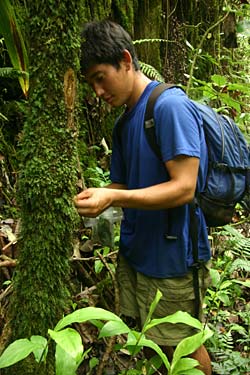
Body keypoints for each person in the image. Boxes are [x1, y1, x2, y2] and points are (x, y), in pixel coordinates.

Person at [74, 19, 212, 375]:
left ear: (125, 60)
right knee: (150, 343)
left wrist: (114, 199)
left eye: (100, 77)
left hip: (172, 260)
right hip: (138, 253)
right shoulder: (123, 123)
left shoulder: (169, 107)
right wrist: (100, 195)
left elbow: (184, 186)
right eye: (90, 84)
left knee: (183, 347)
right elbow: (123, 185)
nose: (97, 92)